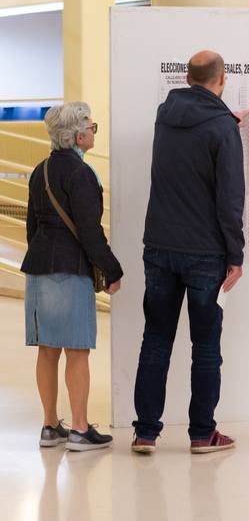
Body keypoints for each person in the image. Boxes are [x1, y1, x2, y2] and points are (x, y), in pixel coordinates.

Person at [132, 50, 245, 455]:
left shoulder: (165, 113)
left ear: (186, 76)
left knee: (155, 341)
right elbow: (230, 198)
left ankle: (145, 433)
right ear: (223, 78)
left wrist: (228, 118)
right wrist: (237, 254)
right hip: (206, 254)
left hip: (159, 247)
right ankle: (202, 434)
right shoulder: (222, 127)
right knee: (206, 347)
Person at [21, 102, 123, 452]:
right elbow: (89, 231)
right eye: (92, 126)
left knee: (47, 351)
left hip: (38, 269)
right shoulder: (83, 174)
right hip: (70, 270)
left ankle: (50, 426)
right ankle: (80, 429)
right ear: (79, 135)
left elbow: (32, 226)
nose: (94, 131)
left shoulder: (40, 170)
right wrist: (111, 269)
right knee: (77, 351)